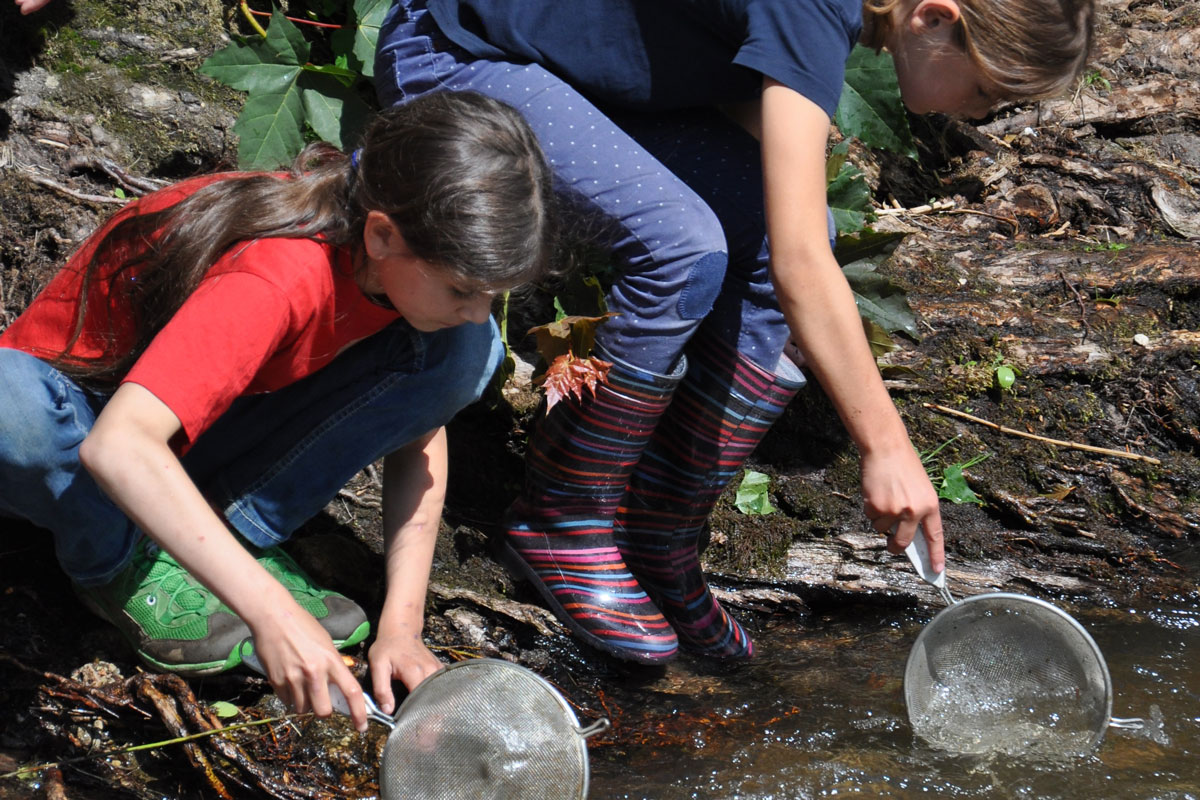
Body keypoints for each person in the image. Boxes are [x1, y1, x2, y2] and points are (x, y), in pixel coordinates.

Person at [375, 0, 1095, 665]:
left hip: (582, 89)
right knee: (680, 244)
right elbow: (800, 267)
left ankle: (657, 534)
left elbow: (782, 214)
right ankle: (562, 520)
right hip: (456, 58)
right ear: (935, 18)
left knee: (779, 228)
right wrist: (886, 446)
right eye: (986, 92)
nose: (980, 114)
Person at [0, 90, 556, 730]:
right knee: (13, 405)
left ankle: (221, 537)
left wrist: (402, 627)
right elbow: (118, 445)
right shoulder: (278, 274)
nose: (479, 311)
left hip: (189, 438)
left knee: (465, 353)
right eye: (462, 289)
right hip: (81, 437)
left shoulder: (392, 276)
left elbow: (419, 433)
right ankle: (118, 563)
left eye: (491, 295)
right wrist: (273, 612)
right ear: (381, 234)